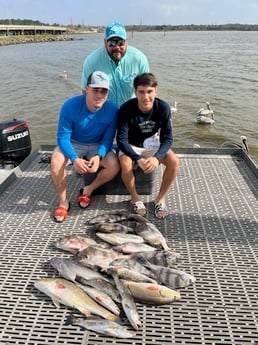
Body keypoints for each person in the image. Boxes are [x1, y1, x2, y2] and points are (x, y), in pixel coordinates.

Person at [51, 71, 120, 223]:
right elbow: (62, 137)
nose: (99, 95)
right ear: (86, 89)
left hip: (97, 145)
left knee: (114, 165)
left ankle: (89, 189)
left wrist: (99, 155)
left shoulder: (112, 109)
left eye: (104, 91)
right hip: (74, 143)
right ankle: (63, 202)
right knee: (56, 162)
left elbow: (109, 137)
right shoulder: (69, 106)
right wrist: (75, 159)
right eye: (96, 90)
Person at [116, 73, 179, 219]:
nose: (146, 97)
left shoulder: (163, 108)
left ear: (156, 91)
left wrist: (157, 158)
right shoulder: (126, 108)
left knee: (174, 161)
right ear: (135, 92)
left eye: (150, 92)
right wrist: (137, 159)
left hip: (152, 144)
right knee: (125, 164)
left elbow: (167, 138)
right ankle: (135, 198)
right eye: (141, 92)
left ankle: (160, 199)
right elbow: (121, 140)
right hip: (131, 146)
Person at [81, 21, 149, 107]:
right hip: (104, 113)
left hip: (131, 112)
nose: (117, 47)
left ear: (126, 42)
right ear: (105, 43)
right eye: (111, 43)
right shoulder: (91, 61)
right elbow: (85, 92)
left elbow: (147, 91)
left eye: (121, 43)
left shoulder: (139, 59)